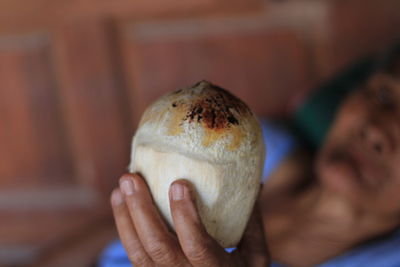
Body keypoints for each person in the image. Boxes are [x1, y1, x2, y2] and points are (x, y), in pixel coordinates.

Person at [101, 45, 400, 267]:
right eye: (385, 95)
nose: (377, 131)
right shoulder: (241, 147)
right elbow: (100, 243)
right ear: (352, 96)